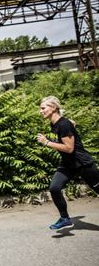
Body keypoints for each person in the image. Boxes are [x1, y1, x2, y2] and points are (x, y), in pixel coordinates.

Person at [37, 96, 99, 230]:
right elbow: (68, 129)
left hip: (83, 164)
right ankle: (65, 218)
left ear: (53, 108)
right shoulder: (57, 123)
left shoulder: (63, 124)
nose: (40, 111)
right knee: (54, 188)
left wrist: (46, 142)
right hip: (67, 164)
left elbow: (69, 148)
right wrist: (71, 125)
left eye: (43, 108)